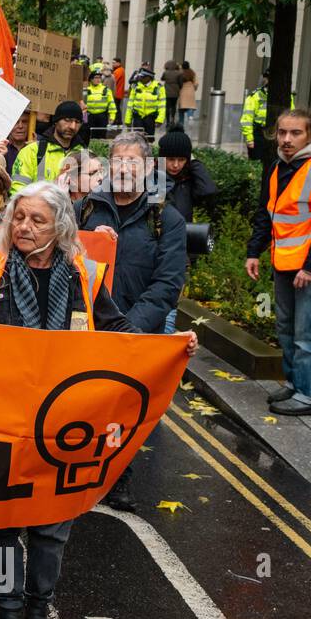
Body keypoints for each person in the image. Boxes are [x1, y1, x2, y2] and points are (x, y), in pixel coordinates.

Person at [0, 181, 198, 619]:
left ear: (61, 227)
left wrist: (163, 351)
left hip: (64, 424)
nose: (24, 228)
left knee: (52, 523)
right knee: (1, 520)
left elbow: (115, 331)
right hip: (1, 418)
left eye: (37, 220)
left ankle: (36, 612)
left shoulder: (85, 275)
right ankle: (7, 609)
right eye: (19, 218)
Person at [80, 131, 188, 509]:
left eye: (134, 161)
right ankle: (78, 474)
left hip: (136, 331)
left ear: (148, 168)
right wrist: (88, 238)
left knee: (126, 409)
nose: (125, 168)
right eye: (119, 160)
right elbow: (63, 257)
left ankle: (118, 477)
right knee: (84, 402)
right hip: (87, 327)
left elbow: (167, 283)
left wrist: (130, 328)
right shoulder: (85, 210)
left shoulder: (167, 219)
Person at [246, 109, 311, 415]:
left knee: (306, 334)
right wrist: (253, 251)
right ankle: (293, 383)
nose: (287, 139)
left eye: (295, 133)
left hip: (307, 269)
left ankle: (308, 394)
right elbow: (267, 213)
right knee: (286, 329)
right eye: (283, 132)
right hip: (283, 262)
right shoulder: (278, 167)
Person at [11, 101, 84, 194]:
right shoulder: (32, 151)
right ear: (56, 121)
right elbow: (18, 189)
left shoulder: (84, 154)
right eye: (67, 120)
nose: (73, 126)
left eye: (77, 122)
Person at [160, 127, 218, 225]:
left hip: (184, 235)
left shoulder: (189, 178)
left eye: (181, 159)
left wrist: (193, 161)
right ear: (162, 158)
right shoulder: (154, 175)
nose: (175, 165)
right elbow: (154, 213)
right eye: (171, 159)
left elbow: (209, 190)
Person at [240, 70, 294, 162]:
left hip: (277, 132)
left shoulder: (287, 96)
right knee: (256, 162)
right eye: (267, 78)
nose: (267, 81)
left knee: (275, 162)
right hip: (259, 133)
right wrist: (249, 139)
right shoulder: (255, 96)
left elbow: (292, 116)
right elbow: (247, 120)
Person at [124, 69, 165, 139]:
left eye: (142, 77)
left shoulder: (158, 87)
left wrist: (160, 120)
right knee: (137, 139)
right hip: (138, 117)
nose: (139, 78)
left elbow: (162, 105)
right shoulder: (136, 86)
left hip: (150, 118)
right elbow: (130, 104)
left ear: (148, 78)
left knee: (149, 139)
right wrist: (128, 120)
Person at [83, 67, 117, 139]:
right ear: (91, 79)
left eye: (99, 77)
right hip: (90, 117)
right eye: (95, 77)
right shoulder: (86, 90)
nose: (98, 79)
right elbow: (83, 106)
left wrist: (112, 117)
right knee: (88, 137)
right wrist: (84, 119)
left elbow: (111, 104)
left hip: (102, 117)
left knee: (101, 137)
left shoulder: (106, 90)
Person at [161, 60, 183, 125]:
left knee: (167, 106)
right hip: (175, 90)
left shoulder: (165, 72)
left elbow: (162, 78)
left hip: (167, 90)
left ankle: (167, 120)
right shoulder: (179, 73)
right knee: (174, 106)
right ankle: (172, 118)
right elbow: (180, 83)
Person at [111, 57, 126, 122]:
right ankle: (118, 121)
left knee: (116, 108)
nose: (113, 64)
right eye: (112, 63)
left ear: (118, 63)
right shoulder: (120, 70)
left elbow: (113, 81)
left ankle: (117, 121)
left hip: (117, 93)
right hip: (118, 92)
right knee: (117, 107)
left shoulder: (118, 70)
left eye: (114, 63)